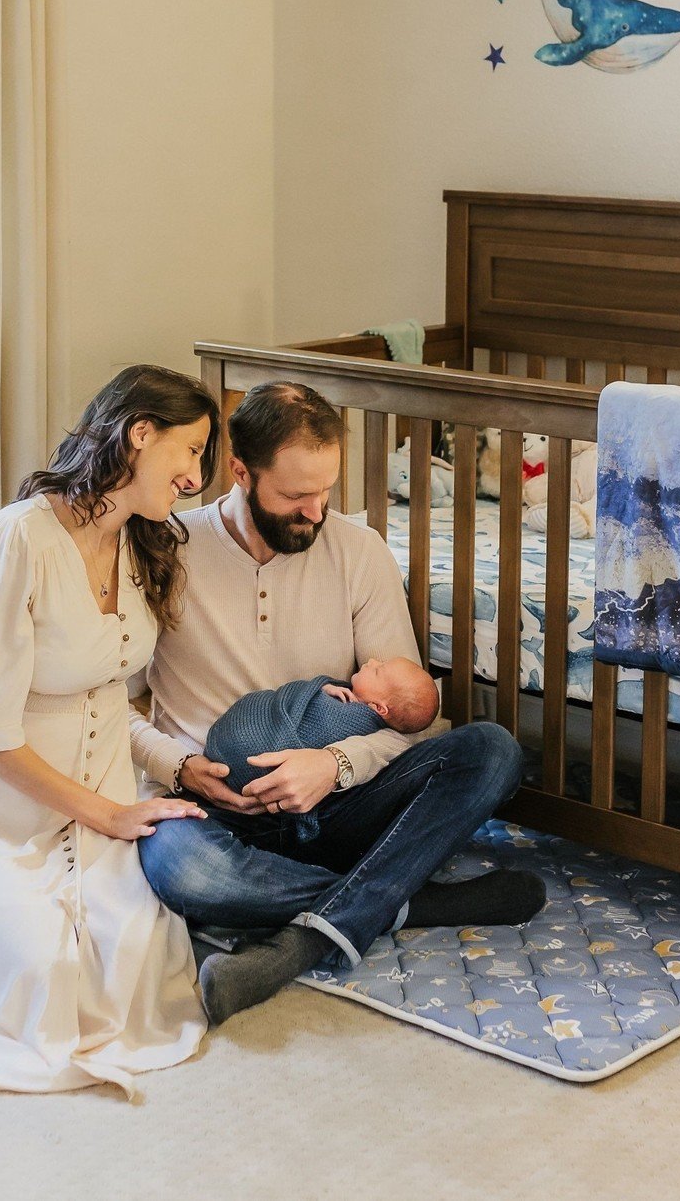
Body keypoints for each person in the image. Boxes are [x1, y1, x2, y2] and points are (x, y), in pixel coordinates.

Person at [133, 381, 544, 1027]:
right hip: (218, 807)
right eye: (296, 496)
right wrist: (179, 766)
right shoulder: (167, 551)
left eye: (325, 490)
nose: (317, 511)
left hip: (339, 805)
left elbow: (410, 720)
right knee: (179, 868)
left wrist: (333, 765)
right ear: (240, 472)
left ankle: (298, 942)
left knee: (490, 752)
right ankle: (409, 900)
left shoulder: (359, 551)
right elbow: (110, 707)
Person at [0, 366, 220, 1094]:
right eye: (190, 451)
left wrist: (170, 768)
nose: (196, 477)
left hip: (97, 791)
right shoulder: (20, 540)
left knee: (134, 965)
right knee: (38, 974)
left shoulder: (143, 542)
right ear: (140, 433)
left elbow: (110, 700)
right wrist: (110, 812)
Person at [202, 659, 440, 842]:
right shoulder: (346, 697)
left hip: (251, 761)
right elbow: (304, 699)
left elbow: (320, 725)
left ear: (378, 708)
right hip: (222, 785)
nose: (372, 661)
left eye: (378, 670)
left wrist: (333, 761)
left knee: (475, 741)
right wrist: (322, 688)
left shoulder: (356, 722)